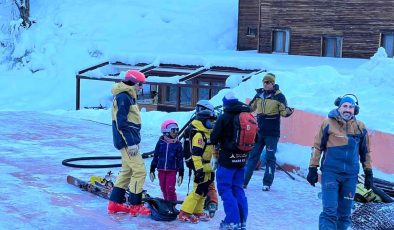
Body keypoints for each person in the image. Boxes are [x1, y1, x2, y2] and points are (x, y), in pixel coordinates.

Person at [307, 95, 373, 230]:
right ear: (339, 107)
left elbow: (365, 152)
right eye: (345, 106)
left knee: (344, 215)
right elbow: (317, 146)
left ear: (355, 110)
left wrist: (368, 172)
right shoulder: (328, 123)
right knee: (330, 212)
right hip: (331, 174)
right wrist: (312, 168)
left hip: (350, 176)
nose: (348, 110)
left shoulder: (361, 127)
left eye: (351, 107)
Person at [107, 69, 151, 217]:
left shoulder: (128, 96)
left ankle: (115, 203)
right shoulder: (124, 97)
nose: (141, 87)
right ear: (133, 82)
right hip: (127, 142)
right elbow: (122, 123)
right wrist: (131, 143)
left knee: (127, 171)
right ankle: (135, 205)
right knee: (140, 171)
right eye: (140, 84)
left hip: (129, 140)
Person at [244, 73, 294, 191]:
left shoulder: (279, 96)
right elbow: (251, 108)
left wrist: (288, 111)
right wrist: (242, 108)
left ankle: (267, 183)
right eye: (264, 82)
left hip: (272, 133)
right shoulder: (259, 94)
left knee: (270, 158)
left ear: (273, 83)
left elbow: (283, 112)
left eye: (267, 82)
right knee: (253, 156)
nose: (265, 84)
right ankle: (244, 182)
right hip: (259, 131)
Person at [210, 92, 252, 230]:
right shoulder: (248, 116)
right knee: (238, 189)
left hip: (227, 161)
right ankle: (242, 222)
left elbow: (214, 138)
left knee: (225, 190)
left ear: (225, 104)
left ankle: (232, 222)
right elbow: (255, 139)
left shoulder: (224, 117)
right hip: (242, 160)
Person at [178, 109, 217, 224]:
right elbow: (196, 154)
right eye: (210, 121)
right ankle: (184, 212)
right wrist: (199, 170)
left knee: (204, 190)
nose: (212, 123)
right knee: (197, 190)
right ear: (203, 121)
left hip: (208, 166)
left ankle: (197, 211)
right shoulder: (199, 135)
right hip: (201, 166)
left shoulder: (208, 132)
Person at [150, 119, 184, 201]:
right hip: (161, 169)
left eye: (177, 130)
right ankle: (167, 203)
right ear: (166, 132)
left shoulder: (178, 144)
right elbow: (156, 156)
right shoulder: (160, 142)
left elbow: (180, 159)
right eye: (173, 130)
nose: (176, 132)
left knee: (170, 189)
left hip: (172, 170)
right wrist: (152, 169)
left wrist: (181, 173)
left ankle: (172, 205)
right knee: (163, 188)